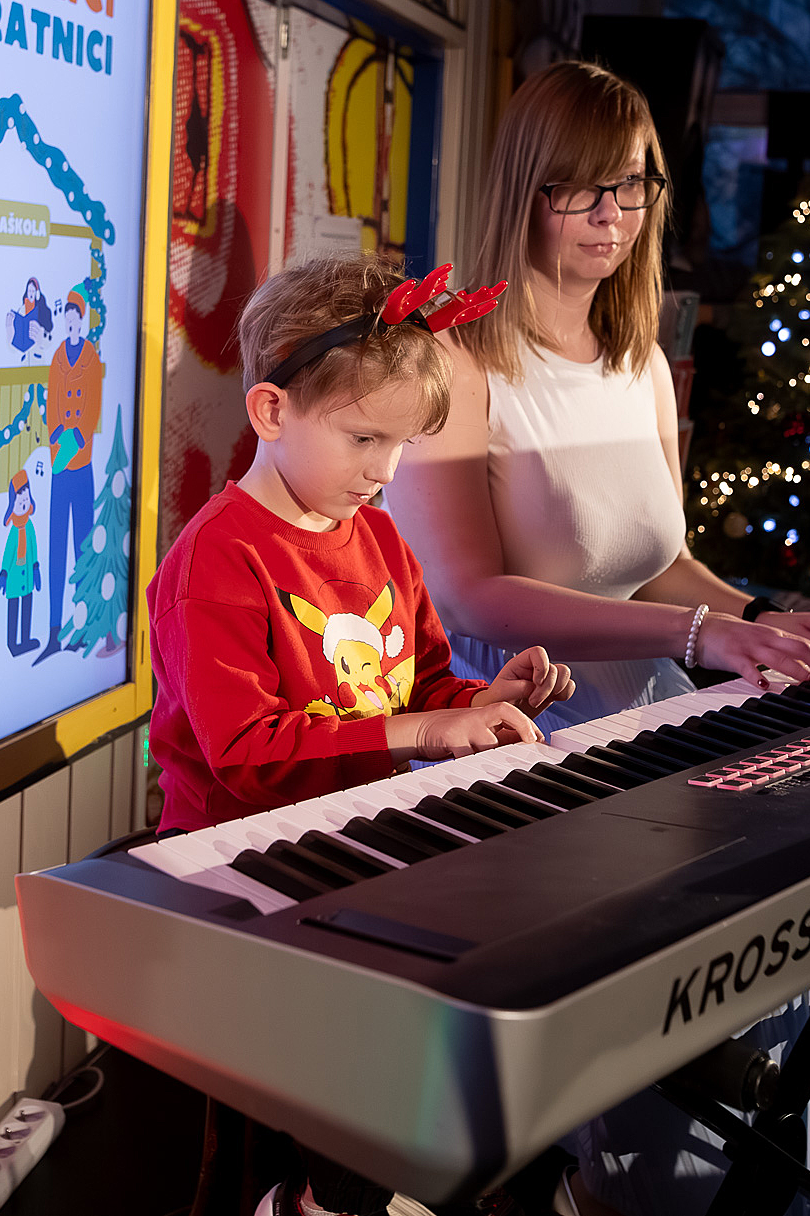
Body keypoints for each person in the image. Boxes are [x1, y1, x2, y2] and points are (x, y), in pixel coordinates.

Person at [386, 62, 810, 1215]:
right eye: (582, 188)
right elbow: (472, 595)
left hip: (653, 716)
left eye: (633, 187)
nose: (613, 216)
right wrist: (696, 631)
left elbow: (662, 560)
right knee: (713, 964)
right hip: (520, 735)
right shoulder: (460, 365)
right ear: (525, 190)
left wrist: (760, 619)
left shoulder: (642, 363)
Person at [148, 255, 576, 1216]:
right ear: (271, 411)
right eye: (362, 438)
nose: (385, 471)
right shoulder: (218, 556)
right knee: (378, 1049)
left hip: (355, 845)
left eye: (401, 444)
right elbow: (247, 754)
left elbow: (419, 685)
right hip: (241, 867)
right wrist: (428, 724)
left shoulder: (377, 536)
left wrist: (481, 699)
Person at [35, 287, 101, 663]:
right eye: (67, 316)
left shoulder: (90, 357)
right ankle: (53, 631)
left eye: (76, 315)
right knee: (56, 545)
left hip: (82, 463)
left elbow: (92, 407)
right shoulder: (58, 356)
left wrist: (76, 437)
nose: (71, 321)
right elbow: (52, 403)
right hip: (60, 464)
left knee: (82, 549)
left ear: (83, 318)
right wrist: (59, 435)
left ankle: (82, 627)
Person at [0, 468, 41, 656]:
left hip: (27, 578)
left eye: (26, 499)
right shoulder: (14, 532)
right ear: (13, 504)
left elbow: (33, 549)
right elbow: (8, 555)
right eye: (20, 501)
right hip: (13, 579)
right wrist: (3, 574)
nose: (24, 503)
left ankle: (25, 640)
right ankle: (13, 644)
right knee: (13, 610)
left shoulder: (30, 527)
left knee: (27, 608)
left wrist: (36, 568)